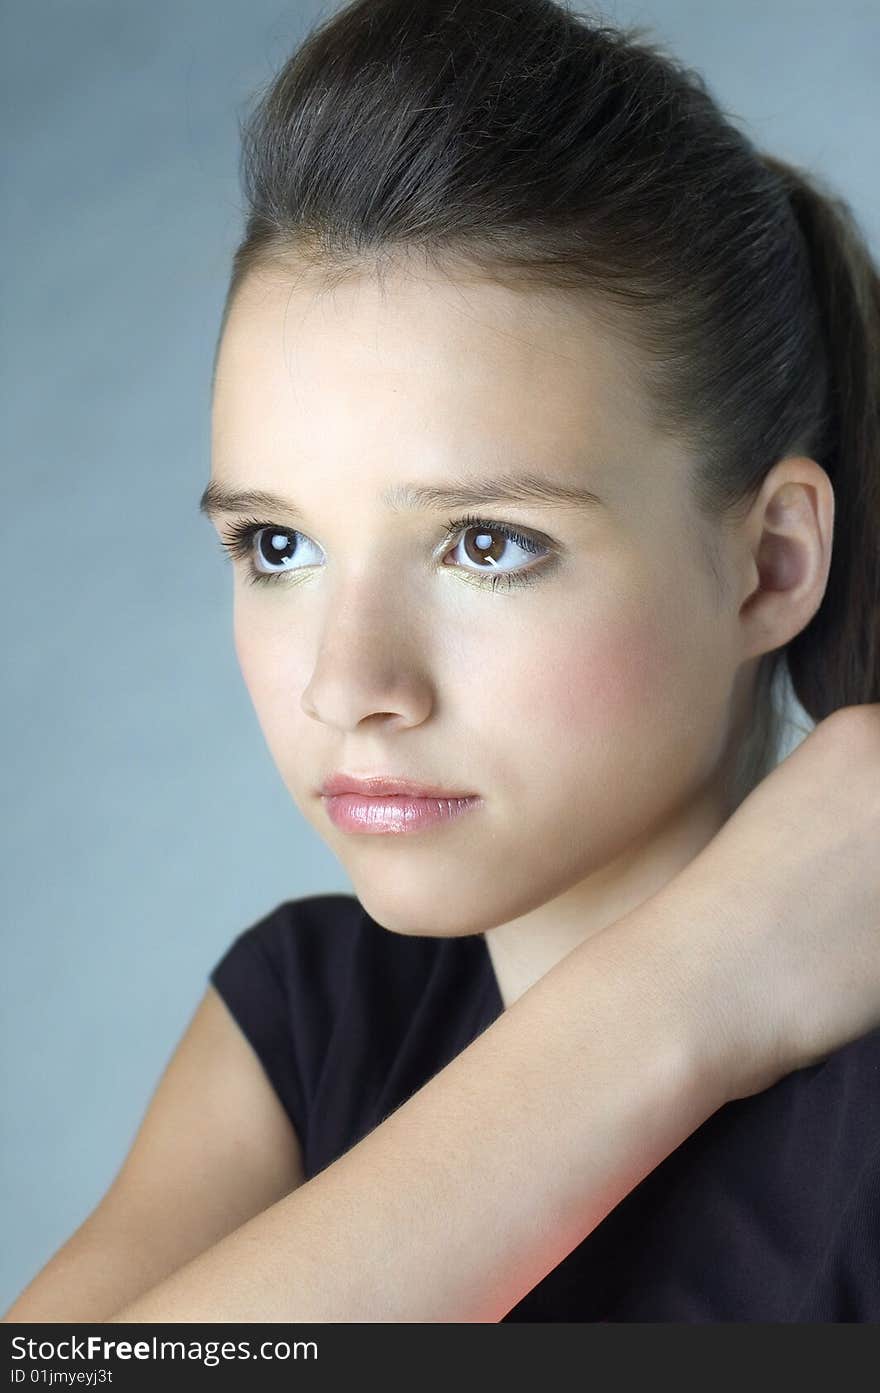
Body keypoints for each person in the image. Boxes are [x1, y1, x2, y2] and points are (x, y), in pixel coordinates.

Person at [4, 0, 879, 1323]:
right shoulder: (307, 1015)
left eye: (486, 542)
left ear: (769, 563)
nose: (348, 681)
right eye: (277, 545)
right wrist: (683, 995)